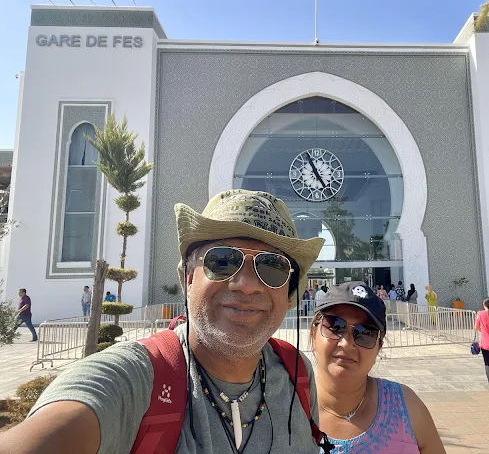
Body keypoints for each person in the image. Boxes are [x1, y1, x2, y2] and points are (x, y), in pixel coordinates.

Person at [0, 189, 329, 453]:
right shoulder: (130, 382)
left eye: (271, 267)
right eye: (223, 260)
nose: (246, 284)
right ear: (188, 277)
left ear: (288, 292)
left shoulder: (296, 372)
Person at [310, 281, 446, 453]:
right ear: (314, 333)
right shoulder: (286, 409)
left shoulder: (408, 409)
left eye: (365, 333)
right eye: (335, 326)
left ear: (378, 348)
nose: (346, 343)